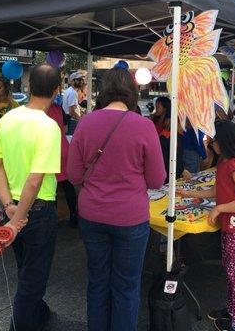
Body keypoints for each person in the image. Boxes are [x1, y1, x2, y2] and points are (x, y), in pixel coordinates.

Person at [67, 67, 166, 331]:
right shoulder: (144, 125)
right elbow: (157, 179)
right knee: (126, 285)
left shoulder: (86, 122)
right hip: (131, 218)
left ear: (103, 91)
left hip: (91, 214)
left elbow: (74, 174)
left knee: (97, 281)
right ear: (132, 92)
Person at [0, 64, 62, 331]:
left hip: (13, 209)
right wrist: (16, 221)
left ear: (28, 87)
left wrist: (9, 206)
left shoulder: (8, 118)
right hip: (37, 213)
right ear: (58, 89)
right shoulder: (49, 126)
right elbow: (35, 180)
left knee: (26, 272)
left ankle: (39, 314)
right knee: (33, 282)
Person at [178, 120, 235, 331]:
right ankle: (231, 312)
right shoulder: (224, 162)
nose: (210, 143)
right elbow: (216, 191)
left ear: (223, 141)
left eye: (212, 140)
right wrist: (190, 193)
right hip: (231, 225)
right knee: (230, 269)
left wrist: (219, 209)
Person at [46, 101, 78, 227]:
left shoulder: (39, 110)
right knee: (67, 184)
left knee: (50, 187)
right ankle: (73, 215)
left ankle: (52, 219)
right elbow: (64, 128)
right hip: (64, 147)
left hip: (50, 149)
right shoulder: (58, 108)